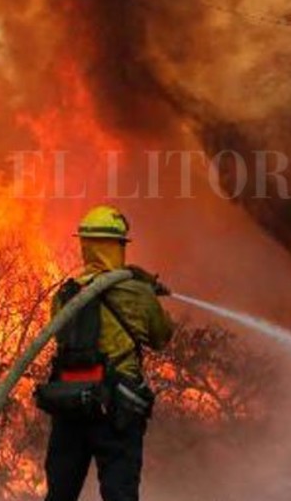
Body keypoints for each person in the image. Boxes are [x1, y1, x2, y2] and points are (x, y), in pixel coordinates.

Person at [37, 205, 174, 501]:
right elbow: (162, 336)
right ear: (118, 246)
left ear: (85, 245)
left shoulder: (66, 294)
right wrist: (147, 292)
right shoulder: (136, 294)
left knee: (60, 493)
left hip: (71, 404)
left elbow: (59, 335)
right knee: (120, 494)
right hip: (116, 409)